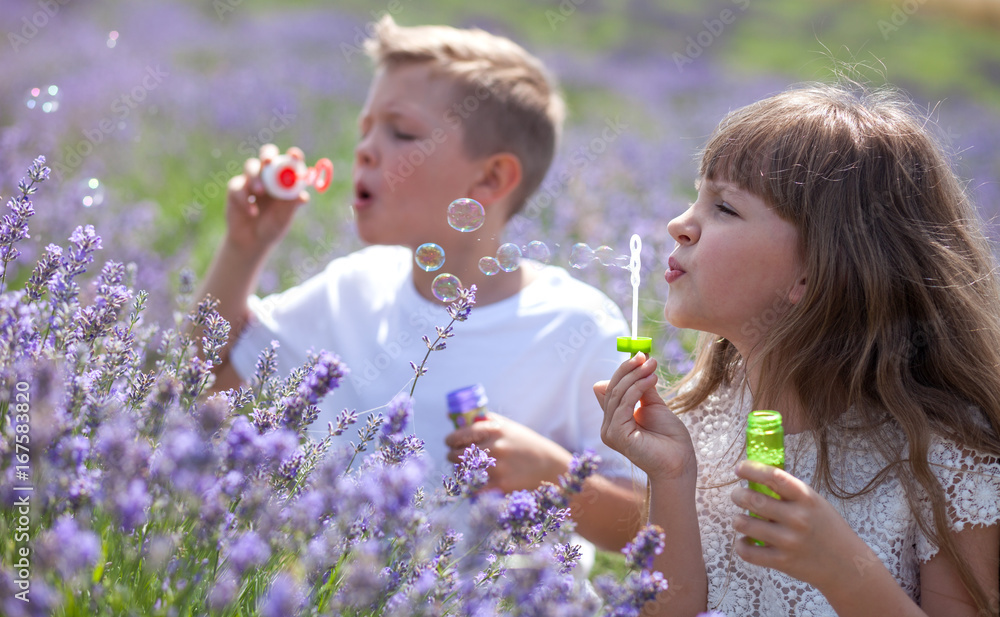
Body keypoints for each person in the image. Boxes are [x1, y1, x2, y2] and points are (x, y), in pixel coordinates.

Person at [197, 15, 643, 555]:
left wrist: (555, 475)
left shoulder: (577, 325)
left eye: (401, 132)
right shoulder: (352, 289)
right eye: (365, 129)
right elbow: (207, 378)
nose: (364, 149)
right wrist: (244, 248)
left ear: (490, 179)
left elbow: (644, 523)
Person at [596, 83, 1000, 616]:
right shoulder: (701, 420)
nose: (679, 224)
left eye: (724, 208)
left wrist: (844, 572)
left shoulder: (941, 459)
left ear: (814, 273)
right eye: (697, 196)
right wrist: (671, 477)